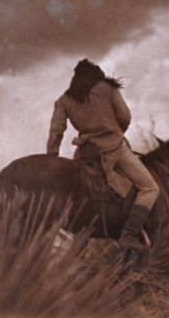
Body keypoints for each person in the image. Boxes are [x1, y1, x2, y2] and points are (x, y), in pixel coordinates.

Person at [46, 58, 159, 251]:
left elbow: (57, 131)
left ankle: (79, 240)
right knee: (150, 188)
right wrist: (115, 132)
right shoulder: (109, 88)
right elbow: (125, 117)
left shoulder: (64, 100)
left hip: (86, 152)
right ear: (96, 75)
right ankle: (129, 235)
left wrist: (52, 155)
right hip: (116, 148)